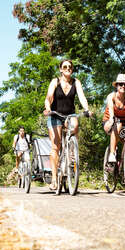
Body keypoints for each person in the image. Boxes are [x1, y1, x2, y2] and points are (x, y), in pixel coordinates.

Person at [43, 59, 92, 191]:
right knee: (55, 146)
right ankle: (54, 179)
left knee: (75, 124)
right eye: (65, 66)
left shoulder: (76, 82)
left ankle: (71, 155)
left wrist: (86, 109)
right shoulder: (55, 81)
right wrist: (47, 107)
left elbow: (82, 97)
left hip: (70, 115)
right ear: (60, 69)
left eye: (70, 67)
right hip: (55, 115)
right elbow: (49, 96)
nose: (68, 68)